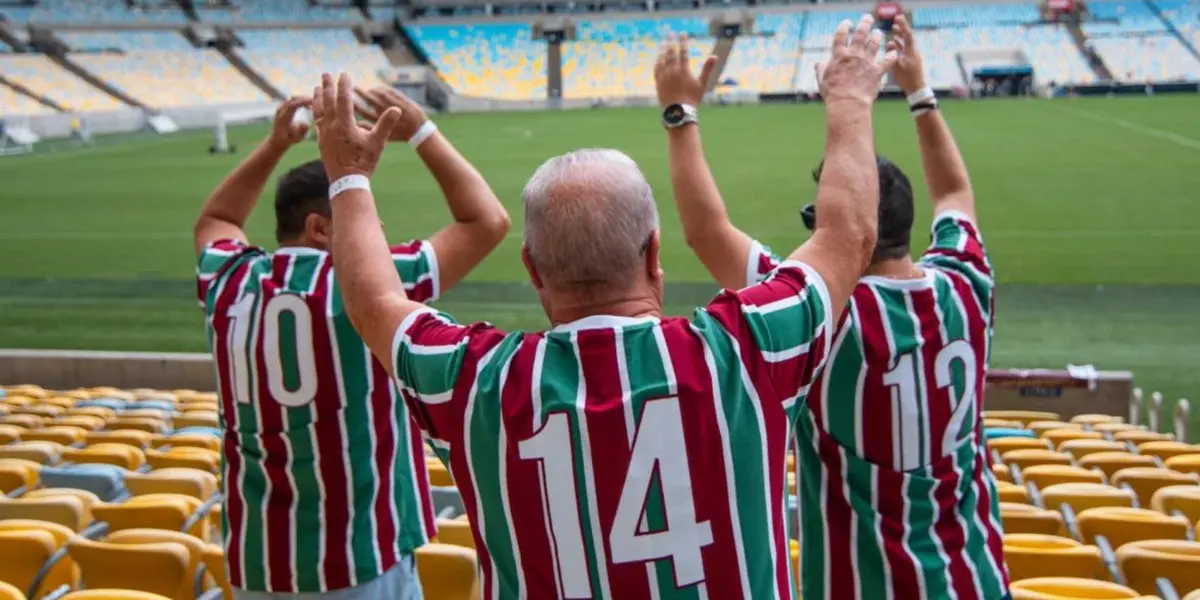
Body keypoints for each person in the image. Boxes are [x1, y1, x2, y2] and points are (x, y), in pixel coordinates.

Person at [315, 14, 893, 599]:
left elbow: (374, 302)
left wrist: (348, 179)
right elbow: (848, 235)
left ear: (533, 271)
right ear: (653, 255)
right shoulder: (747, 350)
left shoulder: (474, 385)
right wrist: (849, 98)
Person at [659, 14, 1008, 600]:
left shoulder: (824, 312)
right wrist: (918, 90)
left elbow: (705, 231)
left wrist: (678, 115)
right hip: (975, 579)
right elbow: (955, 192)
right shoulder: (967, 285)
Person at [193, 91, 510, 599]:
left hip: (259, 564)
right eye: (359, 212)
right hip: (362, 561)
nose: (377, 229)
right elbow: (486, 221)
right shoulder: (372, 287)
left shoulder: (229, 280)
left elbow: (216, 220)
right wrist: (424, 132)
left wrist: (275, 145)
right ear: (319, 228)